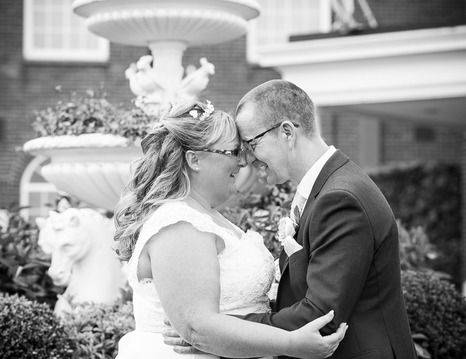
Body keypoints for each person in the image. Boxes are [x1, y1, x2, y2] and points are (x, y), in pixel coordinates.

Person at [166, 80, 417, 359]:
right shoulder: (324, 189)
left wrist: (217, 331)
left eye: (251, 144)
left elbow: (320, 317)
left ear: (286, 132)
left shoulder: (341, 199)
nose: (245, 160)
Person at [113, 101, 347, 359]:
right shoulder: (179, 223)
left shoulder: (205, 217)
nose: (243, 162)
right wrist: (291, 343)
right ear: (194, 159)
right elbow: (197, 326)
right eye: (232, 152)